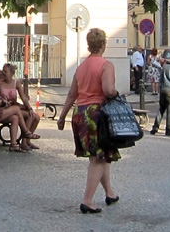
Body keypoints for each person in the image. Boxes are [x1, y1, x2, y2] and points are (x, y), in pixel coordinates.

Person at [58, 28, 120, 214]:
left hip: (80, 113)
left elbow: (72, 94)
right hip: (97, 114)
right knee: (99, 158)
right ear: (103, 45)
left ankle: (110, 193)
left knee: (100, 155)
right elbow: (108, 90)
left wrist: (62, 117)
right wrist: (117, 94)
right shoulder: (106, 65)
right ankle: (87, 200)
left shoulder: (81, 67)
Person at [0, 70, 37, 152]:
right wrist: (0, 101)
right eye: (1, 81)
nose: (1, 83)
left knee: (15, 117)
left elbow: (23, 98)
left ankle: (13, 144)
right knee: (16, 109)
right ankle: (25, 131)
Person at [0, 63, 41, 150]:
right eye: (2, 71)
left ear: (11, 73)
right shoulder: (0, 83)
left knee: (35, 117)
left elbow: (24, 98)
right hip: (5, 108)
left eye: (5, 72)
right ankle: (25, 141)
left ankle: (27, 140)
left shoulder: (16, 83)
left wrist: (29, 107)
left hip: (15, 106)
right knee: (30, 115)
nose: (3, 73)